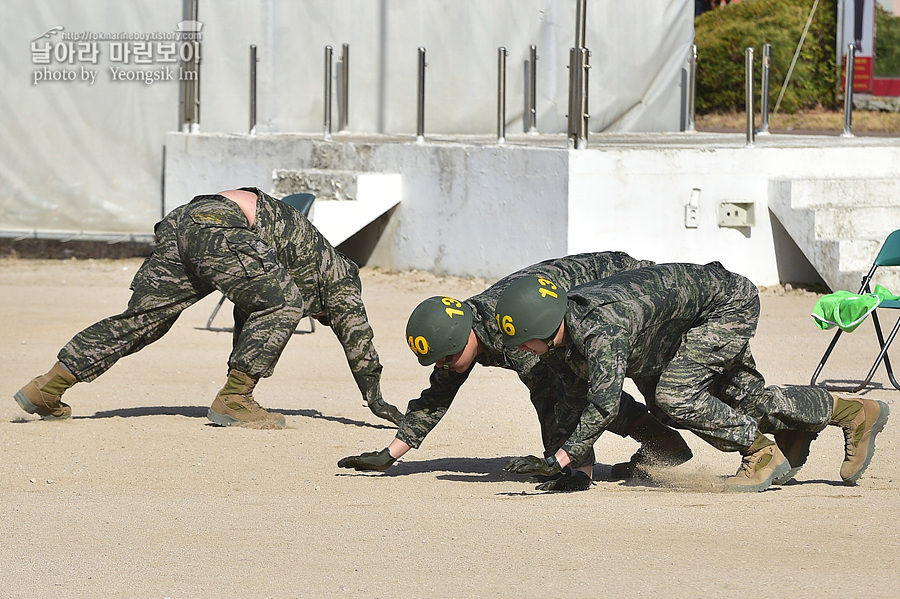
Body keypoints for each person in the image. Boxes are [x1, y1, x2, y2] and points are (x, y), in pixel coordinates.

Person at [14, 187, 403, 428]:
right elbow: (358, 338)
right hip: (220, 226)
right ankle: (234, 400)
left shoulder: (299, 259)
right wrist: (376, 400)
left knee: (145, 320)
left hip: (185, 220)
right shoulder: (339, 277)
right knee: (285, 303)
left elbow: (248, 311)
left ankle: (47, 388)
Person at [493, 263, 889, 492]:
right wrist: (570, 467)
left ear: (545, 328)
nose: (523, 352)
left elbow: (603, 401)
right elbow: (572, 397)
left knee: (675, 395)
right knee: (743, 401)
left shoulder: (601, 329)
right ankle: (850, 412)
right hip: (680, 324)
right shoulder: (566, 336)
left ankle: (761, 451)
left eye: (525, 343)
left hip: (725, 305)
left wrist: (563, 455)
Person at [337, 253, 693, 489]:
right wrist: (391, 453)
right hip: (590, 296)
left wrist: (571, 469)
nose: (443, 368)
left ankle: (664, 442)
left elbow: (555, 395)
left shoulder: (513, 334)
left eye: (445, 359)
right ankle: (663, 444)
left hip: (625, 287)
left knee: (609, 384)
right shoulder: (464, 329)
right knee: (587, 384)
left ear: (462, 340)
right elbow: (437, 395)